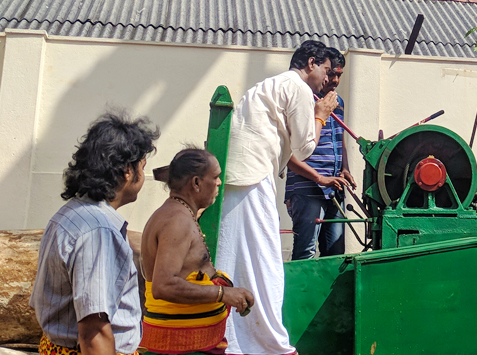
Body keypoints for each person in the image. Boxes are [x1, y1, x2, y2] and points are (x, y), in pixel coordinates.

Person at [214, 41, 340, 355]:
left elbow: (287, 149)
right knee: (266, 261)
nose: (328, 79)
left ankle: (232, 337)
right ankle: (270, 344)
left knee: (233, 258)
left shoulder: (269, 86)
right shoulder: (296, 87)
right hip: (253, 177)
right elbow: (305, 147)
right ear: (311, 63)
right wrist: (321, 113)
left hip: (238, 175)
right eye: (326, 70)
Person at [31, 113, 160, 355]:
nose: (143, 176)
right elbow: (95, 333)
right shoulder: (98, 231)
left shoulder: (70, 213)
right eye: (142, 166)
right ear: (127, 171)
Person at [140, 148, 255, 355]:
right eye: (215, 177)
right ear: (196, 183)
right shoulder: (177, 221)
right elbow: (163, 285)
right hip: (179, 346)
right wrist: (224, 293)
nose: (219, 183)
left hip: (189, 344)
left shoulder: (180, 213)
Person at [284, 48, 356, 260]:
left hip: (334, 187)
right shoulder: (305, 99)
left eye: (339, 74)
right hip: (308, 187)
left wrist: (345, 168)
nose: (334, 79)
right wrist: (319, 178)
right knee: (305, 251)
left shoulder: (338, 102)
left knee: (334, 253)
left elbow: (339, 135)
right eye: (330, 72)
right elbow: (292, 150)